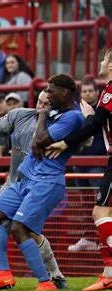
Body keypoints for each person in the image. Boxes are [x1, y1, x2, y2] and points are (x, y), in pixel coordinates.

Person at [0, 73, 84, 291]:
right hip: (20, 179)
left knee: (24, 230)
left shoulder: (67, 117)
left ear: (62, 96)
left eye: (48, 97)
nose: (43, 103)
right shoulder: (20, 115)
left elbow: (40, 143)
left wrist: (73, 135)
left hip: (45, 181)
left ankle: (49, 279)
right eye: (41, 98)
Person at [46, 48, 112, 291]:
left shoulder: (110, 91)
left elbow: (94, 126)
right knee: (104, 213)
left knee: (99, 212)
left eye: (105, 59)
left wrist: (66, 141)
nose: (101, 63)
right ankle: (108, 273)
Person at [68, 77, 105, 252]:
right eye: (85, 91)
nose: (88, 94)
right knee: (86, 203)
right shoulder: (75, 111)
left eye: (91, 91)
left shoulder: (103, 109)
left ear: (97, 92)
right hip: (80, 162)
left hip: (99, 162)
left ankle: (102, 239)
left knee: (102, 205)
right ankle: (90, 237)